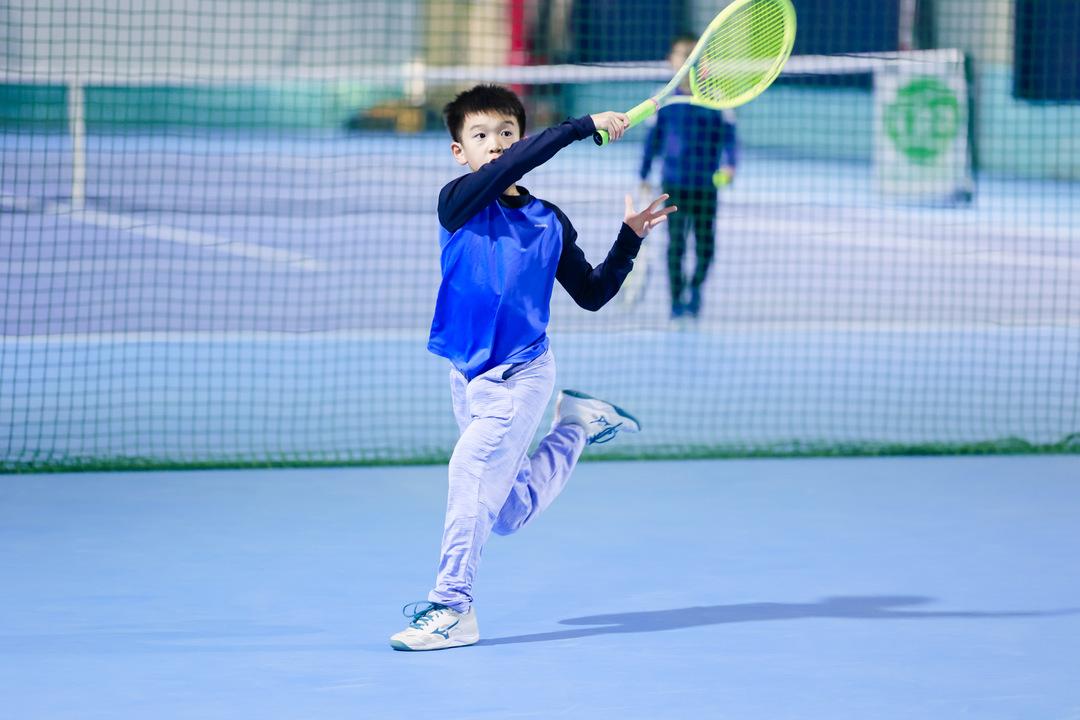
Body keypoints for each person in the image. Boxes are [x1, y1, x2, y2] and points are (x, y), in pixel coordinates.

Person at [390, 84, 676, 651]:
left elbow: (591, 294)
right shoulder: (456, 203)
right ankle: (578, 424)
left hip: (522, 375)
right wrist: (581, 125)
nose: (496, 144)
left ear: (520, 138)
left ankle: (452, 608)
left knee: (469, 471)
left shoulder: (549, 221)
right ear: (459, 152)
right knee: (508, 511)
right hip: (467, 377)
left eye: (506, 133)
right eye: (480, 135)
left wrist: (629, 239)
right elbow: (512, 167)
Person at [639, 34, 738, 319]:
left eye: (694, 55)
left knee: (706, 247)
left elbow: (730, 138)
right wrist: (644, 175)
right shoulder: (663, 98)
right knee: (676, 244)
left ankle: (695, 287)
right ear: (671, 60)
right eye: (683, 54)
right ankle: (676, 300)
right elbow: (652, 141)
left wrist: (730, 165)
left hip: (706, 185)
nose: (688, 60)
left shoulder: (716, 97)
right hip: (674, 184)